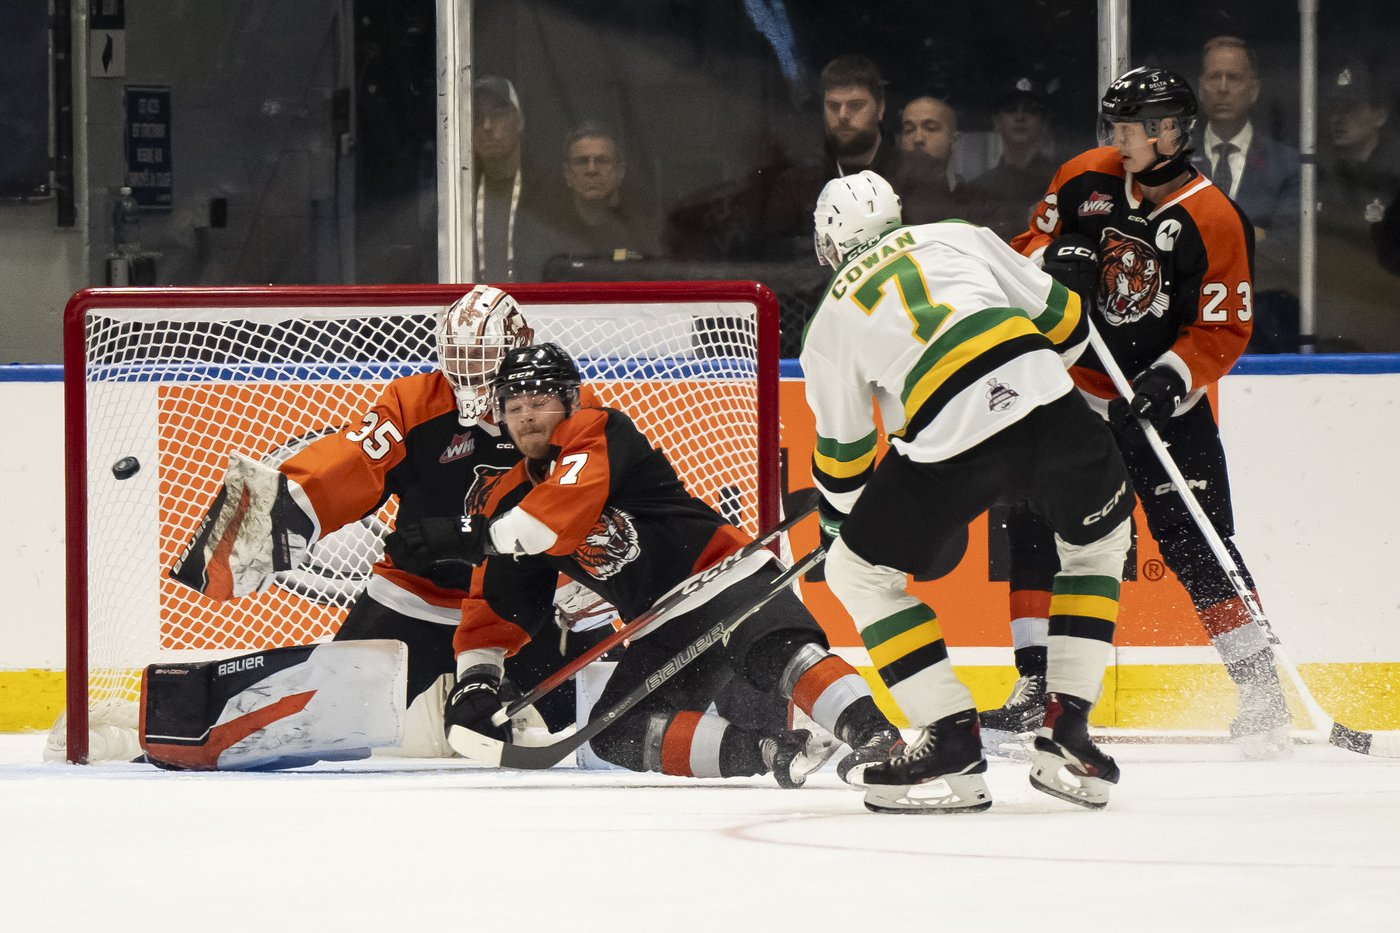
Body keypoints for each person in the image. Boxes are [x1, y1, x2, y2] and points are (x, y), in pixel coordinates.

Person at [384, 343, 903, 789]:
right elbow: (499, 605)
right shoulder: (506, 497)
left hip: (724, 576)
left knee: (778, 653)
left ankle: (876, 735)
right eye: (513, 405)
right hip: (661, 621)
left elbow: (551, 521)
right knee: (619, 734)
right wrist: (478, 679)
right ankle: (771, 752)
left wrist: (465, 533)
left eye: (540, 401)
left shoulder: (600, 430)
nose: (525, 416)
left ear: (569, 400)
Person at [804, 170, 1135, 812]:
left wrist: (843, 528)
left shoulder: (830, 321)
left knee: (858, 575)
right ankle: (1067, 730)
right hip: (1053, 412)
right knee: (1097, 548)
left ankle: (950, 740)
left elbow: (844, 456)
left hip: (956, 444)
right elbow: (1068, 326)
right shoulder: (959, 235)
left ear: (831, 240)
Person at [990, 66, 1292, 759]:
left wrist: (1168, 379)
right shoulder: (1083, 178)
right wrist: (1050, 261)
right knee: (1032, 522)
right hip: (1081, 391)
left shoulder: (1213, 217)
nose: (1115, 138)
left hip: (1165, 406)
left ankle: (1260, 688)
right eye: (1115, 126)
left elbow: (1221, 329)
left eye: (1128, 127)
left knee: (1198, 543)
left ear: (1165, 133)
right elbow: (1022, 250)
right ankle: (1033, 687)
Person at [167, 286, 604, 762]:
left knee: (613, 733)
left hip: (528, 602)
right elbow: (355, 461)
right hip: (417, 598)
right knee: (321, 725)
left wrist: (592, 572)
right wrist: (274, 512)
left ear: (520, 345)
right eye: (458, 355)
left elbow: (594, 497)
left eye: (482, 355)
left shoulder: (566, 406)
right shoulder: (415, 403)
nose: (469, 371)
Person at [763, 54, 961, 260]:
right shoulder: (795, 182)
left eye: (855, 105)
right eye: (833, 106)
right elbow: (772, 254)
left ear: (880, 109)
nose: (842, 115)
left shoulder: (921, 173)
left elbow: (928, 249)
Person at [1190, 36, 1302, 352]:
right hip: (1189, 331)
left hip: (1267, 331)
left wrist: (1203, 239)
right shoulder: (1175, 163)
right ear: (1201, 87)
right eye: (1214, 77)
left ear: (1253, 89)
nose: (1223, 87)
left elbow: (1288, 252)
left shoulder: (1287, 166)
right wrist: (1254, 235)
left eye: (1234, 77)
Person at [1314, 60, 1400, 351]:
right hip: (1332, 325)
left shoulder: (1395, 181)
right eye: (1334, 108)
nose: (1338, 117)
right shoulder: (1317, 178)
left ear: (1379, 115)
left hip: (1389, 327)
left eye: (1350, 108)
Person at [537, 121, 661, 272]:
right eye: (581, 161)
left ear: (620, 172)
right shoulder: (546, 235)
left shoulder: (643, 235)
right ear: (568, 174)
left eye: (602, 161)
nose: (592, 169)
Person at [471, 76, 550, 281]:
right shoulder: (458, 196)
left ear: (519, 120)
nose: (487, 126)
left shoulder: (547, 195)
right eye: (476, 117)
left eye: (498, 115)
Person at [964, 77, 1061, 243]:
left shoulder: (1062, 182)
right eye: (1010, 109)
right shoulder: (977, 189)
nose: (1020, 116)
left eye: (1030, 109)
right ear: (996, 123)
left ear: (1045, 123)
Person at [899, 95, 962, 193]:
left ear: (954, 141)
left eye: (930, 128)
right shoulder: (887, 199)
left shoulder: (979, 203)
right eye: (909, 130)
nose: (918, 138)